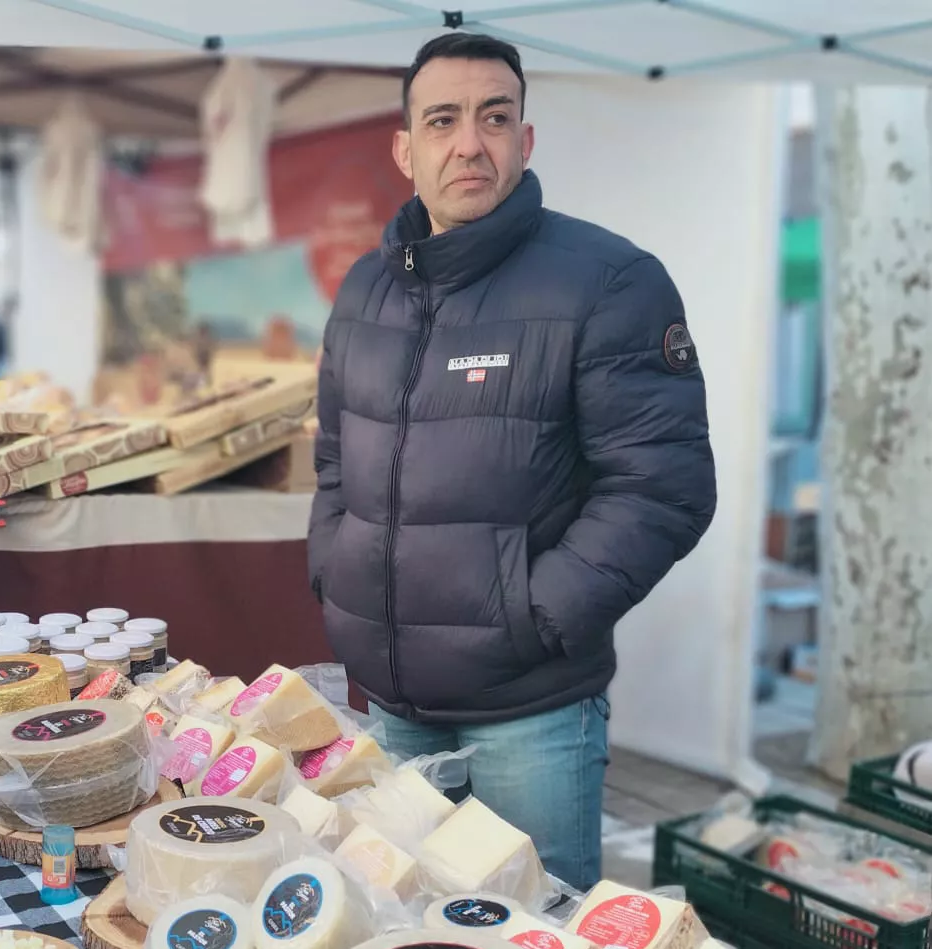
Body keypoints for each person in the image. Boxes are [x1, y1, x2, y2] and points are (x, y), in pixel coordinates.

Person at [307, 33, 716, 891]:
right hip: (387, 704)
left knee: (535, 922)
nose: (470, 143)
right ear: (405, 149)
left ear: (525, 141)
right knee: (392, 916)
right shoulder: (364, 292)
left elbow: (663, 487)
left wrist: (534, 616)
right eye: (443, 120)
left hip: (529, 715)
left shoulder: (607, 282)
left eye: (495, 118)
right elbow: (337, 459)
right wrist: (333, 569)